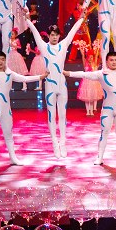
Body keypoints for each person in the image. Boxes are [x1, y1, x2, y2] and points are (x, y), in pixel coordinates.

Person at [24, 12, 87, 158]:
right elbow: (34, 32)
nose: (54, 37)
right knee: (51, 116)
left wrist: (82, 18)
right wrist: (28, 20)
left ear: (59, 36)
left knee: (63, 115)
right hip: (50, 86)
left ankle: (63, 143)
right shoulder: (44, 47)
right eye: (52, 35)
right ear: (48, 36)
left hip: (61, 85)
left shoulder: (63, 45)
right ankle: (54, 144)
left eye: (56, 35)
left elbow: (72, 32)